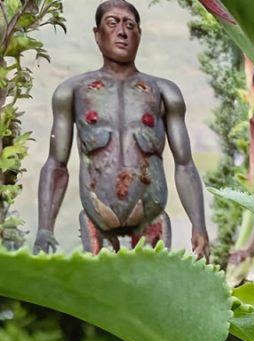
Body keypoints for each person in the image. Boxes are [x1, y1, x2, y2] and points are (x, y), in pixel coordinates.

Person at [34, 1, 209, 258]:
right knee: (97, 295)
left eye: (130, 25)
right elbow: (56, 163)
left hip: (152, 223)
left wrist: (199, 225)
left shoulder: (164, 92)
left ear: (139, 34)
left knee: (151, 294)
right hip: (97, 223)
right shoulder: (73, 91)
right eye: (112, 23)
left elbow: (184, 164)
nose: (122, 31)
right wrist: (44, 228)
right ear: (97, 34)